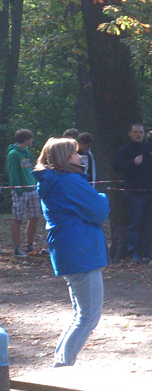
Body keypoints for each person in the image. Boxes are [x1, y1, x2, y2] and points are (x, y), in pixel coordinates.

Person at [34, 137, 110, 366]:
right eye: (75, 153)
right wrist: (102, 197)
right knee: (88, 317)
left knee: (81, 315)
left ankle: (61, 362)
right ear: (63, 158)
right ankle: (62, 366)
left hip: (70, 251)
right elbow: (99, 212)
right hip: (82, 252)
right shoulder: (68, 181)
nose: (79, 157)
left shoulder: (52, 181)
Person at [113, 123, 152, 262]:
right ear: (130, 133)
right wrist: (132, 163)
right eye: (135, 132)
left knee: (150, 223)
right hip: (135, 194)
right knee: (135, 223)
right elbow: (116, 165)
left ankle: (149, 250)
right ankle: (134, 252)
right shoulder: (125, 150)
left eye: (141, 132)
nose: (138, 134)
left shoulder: (151, 148)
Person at [8, 129, 41, 257]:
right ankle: (17, 248)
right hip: (20, 191)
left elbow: (32, 169)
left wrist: (35, 184)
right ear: (26, 139)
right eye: (30, 138)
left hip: (32, 188)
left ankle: (29, 245)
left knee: (35, 217)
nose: (32, 140)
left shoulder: (27, 152)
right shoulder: (13, 154)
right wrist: (18, 189)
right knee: (18, 218)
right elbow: (13, 172)